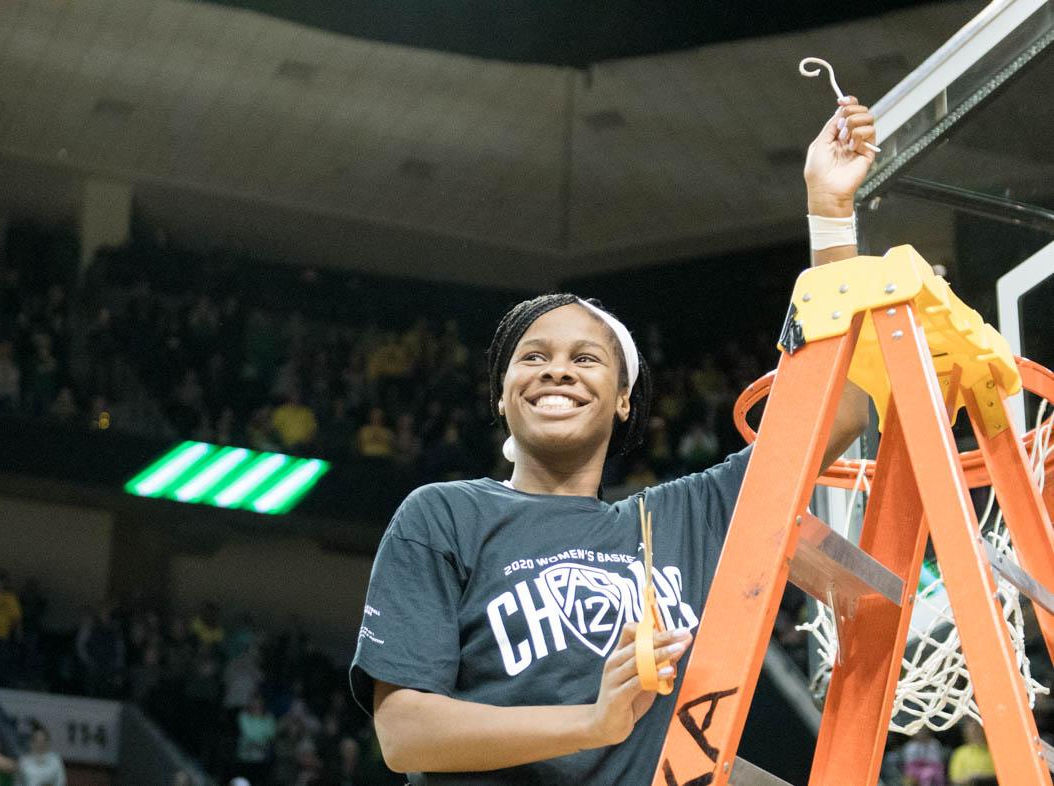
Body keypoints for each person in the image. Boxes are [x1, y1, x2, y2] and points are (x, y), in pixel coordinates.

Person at [349, 100, 877, 783]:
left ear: (625, 399)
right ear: (503, 396)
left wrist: (829, 213)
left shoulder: (681, 518)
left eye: (585, 358)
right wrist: (593, 724)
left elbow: (839, 412)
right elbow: (405, 735)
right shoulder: (445, 514)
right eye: (532, 358)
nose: (558, 368)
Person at [947, 719, 996, 785]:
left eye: (979, 730)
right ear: (966, 734)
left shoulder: (995, 752)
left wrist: (982, 779)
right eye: (973, 732)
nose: (977, 734)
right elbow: (955, 780)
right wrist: (972, 780)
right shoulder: (959, 753)